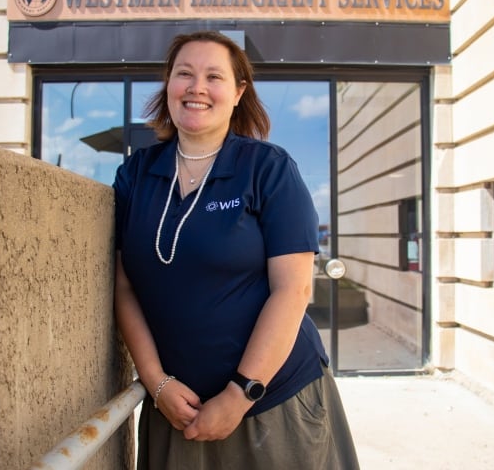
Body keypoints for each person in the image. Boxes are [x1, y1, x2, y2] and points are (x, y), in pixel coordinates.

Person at [113, 30, 360, 469]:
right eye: (184, 73)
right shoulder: (136, 174)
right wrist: (156, 383)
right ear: (168, 83)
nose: (197, 87)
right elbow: (125, 287)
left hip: (273, 402)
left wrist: (240, 393)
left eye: (214, 76)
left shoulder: (268, 169)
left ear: (238, 92)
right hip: (177, 412)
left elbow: (294, 291)